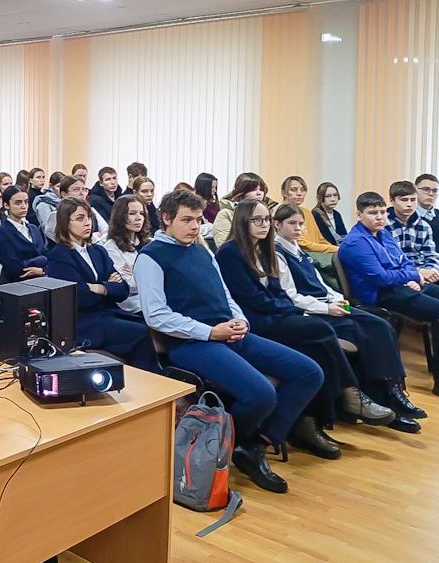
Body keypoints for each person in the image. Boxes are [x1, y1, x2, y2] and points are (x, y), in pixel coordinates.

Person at [136, 190, 322, 493]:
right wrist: (210, 332)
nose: (195, 227)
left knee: (309, 373)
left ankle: (255, 442)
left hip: (229, 333)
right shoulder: (150, 257)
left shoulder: (202, 251)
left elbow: (225, 295)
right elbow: (156, 316)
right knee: (261, 394)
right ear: (166, 219)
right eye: (186, 220)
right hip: (192, 344)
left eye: (198, 220)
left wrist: (240, 320)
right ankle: (229, 447)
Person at [216, 200, 394, 459]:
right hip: (256, 321)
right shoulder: (229, 253)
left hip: (276, 313)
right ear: (243, 222)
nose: (264, 225)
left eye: (266, 219)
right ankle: (347, 395)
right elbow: (252, 299)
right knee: (319, 330)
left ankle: (314, 420)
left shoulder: (263, 248)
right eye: (257, 220)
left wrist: (288, 309)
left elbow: (277, 291)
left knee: (317, 343)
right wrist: (292, 311)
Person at [273, 204, 425, 432]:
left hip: (328, 303)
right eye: (292, 223)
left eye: (301, 224)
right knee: (359, 332)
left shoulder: (298, 250)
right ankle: (375, 400)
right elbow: (291, 296)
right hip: (312, 311)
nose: (298, 228)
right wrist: (327, 308)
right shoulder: (277, 253)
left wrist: (338, 299)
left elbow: (321, 284)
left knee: (380, 325)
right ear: (277, 225)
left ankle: (393, 391)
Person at [338, 191, 439, 402]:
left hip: (403, 286)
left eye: (382, 212)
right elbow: (380, 277)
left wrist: (412, 275)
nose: (380, 217)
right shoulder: (355, 242)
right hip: (382, 295)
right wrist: (412, 276)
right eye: (373, 213)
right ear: (359, 215)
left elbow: (405, 262)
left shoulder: (383, 234)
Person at [45, 198, 159, 370]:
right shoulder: (59, 256)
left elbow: (123, 290)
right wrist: (107, 286)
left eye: (89, 217)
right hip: (84, 323)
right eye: (80, 218)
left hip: (108, 313)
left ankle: (148, 375)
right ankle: (153, 377)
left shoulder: (98, 251)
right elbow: (79, 297)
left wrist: (98, 287)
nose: (87, 223)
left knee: (146, 326)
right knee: (139, 333)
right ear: (65, 222)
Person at [386, 180, 439, 295]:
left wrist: (432, 270)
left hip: (431, 271)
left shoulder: (424, 225)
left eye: (413, 200)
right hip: (407, 277)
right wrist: (418, 273)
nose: (409, 204)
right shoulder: (384, 226)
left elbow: (432, 253)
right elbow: (390, 261)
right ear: (392, 201)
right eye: (404, 200)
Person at [103, 195, 150, 314]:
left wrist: (136, 274)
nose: (138, 218)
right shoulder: (111, 247)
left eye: (141, 213)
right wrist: (151, 278)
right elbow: (128, 284)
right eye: (132, 213)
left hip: (156, 300)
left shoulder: (151, 243)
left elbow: (166, 277)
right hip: (132, 306)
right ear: (120, 216)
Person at [0, 186, 47, 282]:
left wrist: (42, 270)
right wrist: (41, 260)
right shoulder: (2, 232)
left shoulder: (34, 228)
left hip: (43, 278)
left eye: (26, 202)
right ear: (6, 205)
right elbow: (13, 266)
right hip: (19, 283)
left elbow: (47, 255)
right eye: (18, 203)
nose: (24, 206)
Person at [212, 173, 277, 249]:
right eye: (253, 190)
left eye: (261, 190)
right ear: (241, 192)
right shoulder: (226, 214)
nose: (259, 193)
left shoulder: (269, 213)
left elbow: (273, 244)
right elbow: (223, 245)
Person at [44, 176, 108, 244]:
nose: (81, 193)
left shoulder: (92, 210)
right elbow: (64, 240)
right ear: (64, 194)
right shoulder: (56, 215)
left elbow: (106, 232)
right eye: (76, 190)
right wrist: (95, 236)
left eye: (84, 189)